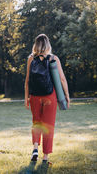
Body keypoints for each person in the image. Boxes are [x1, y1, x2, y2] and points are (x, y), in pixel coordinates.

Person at [24, 34, 70, 164]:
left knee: (36, 122)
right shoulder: (53, 58)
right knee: (48, 126)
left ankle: (35, 148)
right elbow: (62, 79)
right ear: (48, 44)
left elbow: (27, 80)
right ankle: (45, 157)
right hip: (50, 96)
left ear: (36, 45)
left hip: (34, 96)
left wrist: (26, 98)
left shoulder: (30, 59)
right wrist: (66, 96)